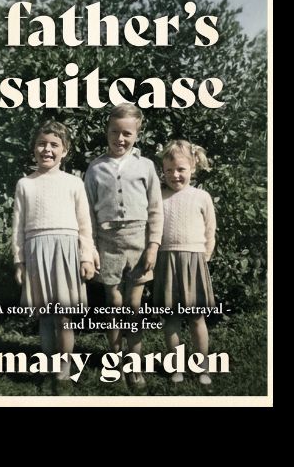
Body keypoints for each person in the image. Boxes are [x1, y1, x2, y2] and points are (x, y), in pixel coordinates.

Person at [12, 120, 96, 392]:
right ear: (33, 148)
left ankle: (64, 371)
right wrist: (19, 261)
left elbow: (85, 224)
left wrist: (86, 256)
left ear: (65, 150)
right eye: (41, 144)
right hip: (36, 252)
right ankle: (48, 368)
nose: (46, 149)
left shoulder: (74, 183)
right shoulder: (25, 184)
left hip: (65, 251)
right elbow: (18, 226)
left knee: (63, 317)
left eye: (54, 145)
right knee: (45, 317)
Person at [83, 103, 162, 389]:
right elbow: (87, 213)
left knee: (133, 303)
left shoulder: (146, 166)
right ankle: (114, 357)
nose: (120, 138)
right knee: (113, 302)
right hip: (107, 242)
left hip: (138, 241)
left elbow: (156, 208)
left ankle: (134, 362)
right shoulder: (95, 168)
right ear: (106, 131)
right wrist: (90, 248)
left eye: (127, 133)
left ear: (137, 134)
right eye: (114, 132)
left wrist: (153, 245)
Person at [154, 140, 217, 385]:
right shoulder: (159, 196)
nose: (175, 175)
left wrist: (205, 256)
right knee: (170, 318)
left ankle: (203, 366)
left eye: (181, 169)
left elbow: (210, 230)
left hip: (194, 260)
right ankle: (176, 366)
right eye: (169, 170)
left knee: (196, 317)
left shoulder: (201, 197)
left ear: (193, 167)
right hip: (166, 260)